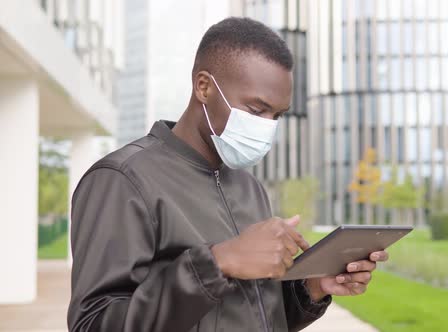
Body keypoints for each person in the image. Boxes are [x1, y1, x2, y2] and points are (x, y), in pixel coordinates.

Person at [67, 17, 389, 332]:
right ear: (204, 87)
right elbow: (93, 323)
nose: (267, 126)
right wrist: (218, 262)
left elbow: (256, 316)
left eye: (277, 115)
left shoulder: (250, 188)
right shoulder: (123, 180)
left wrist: (314, 288)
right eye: (256, 109)